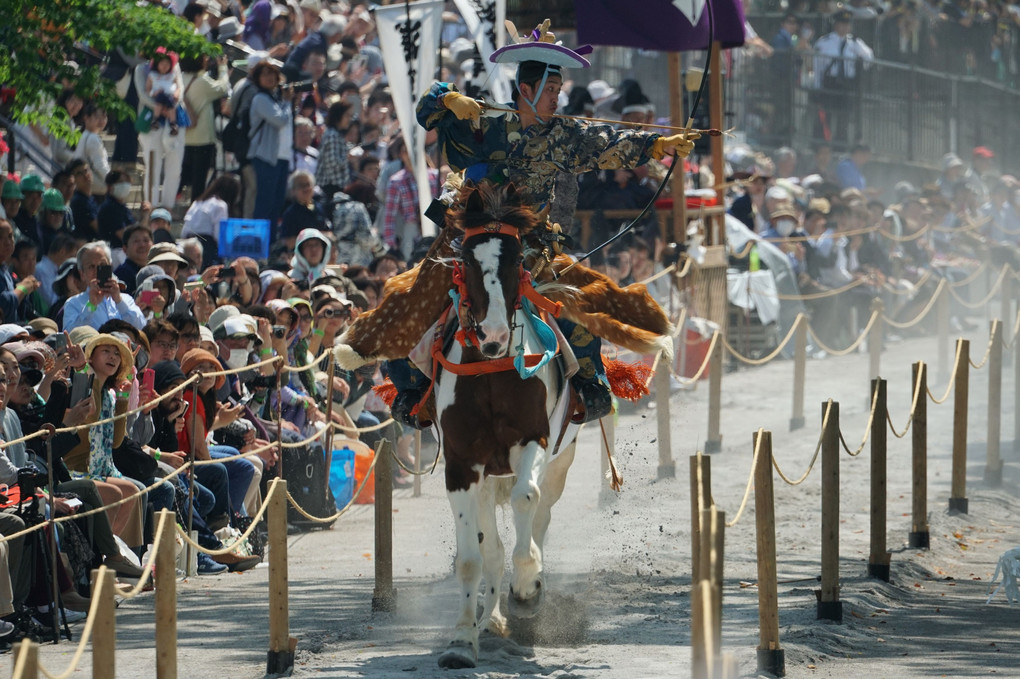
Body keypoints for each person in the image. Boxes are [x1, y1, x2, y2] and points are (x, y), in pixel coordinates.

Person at [348, 20, 696, 427]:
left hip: (530, 244)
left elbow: (608, 142)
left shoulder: (562, 135)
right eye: (550, 90)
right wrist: (449, 100)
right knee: (408, 300)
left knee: (576, 299)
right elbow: (425, 108)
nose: (556, 98)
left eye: (559, 90)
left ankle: (590, 382)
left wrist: (657, 144)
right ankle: (410, 392)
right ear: (526, 90)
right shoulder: (486, 123)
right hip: (470, 238)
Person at [812, 9, 874, 148]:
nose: (845, 27)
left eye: (847, 24)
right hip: (830, 82)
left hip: (847, 83)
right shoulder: (824, 42)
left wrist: (858, 53)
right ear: (836, 25)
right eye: (842, 24)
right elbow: (818, 66)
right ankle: (821, 145)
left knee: (844, 117)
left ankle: (840, 146)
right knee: (825, 116)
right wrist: (817, 86)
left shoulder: (855, 42)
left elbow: (869, 58)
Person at [246, 60, 294, 225]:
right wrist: (288, 102)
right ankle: (260, 243)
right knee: (265, 202)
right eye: (264, 74)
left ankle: (271, 242)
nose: (269, 78)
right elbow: (279, 120)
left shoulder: (277, 99)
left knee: (277, 203)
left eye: (272, 73)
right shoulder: (260, 98)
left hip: (282, 157)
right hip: (266, 156)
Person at [61, 242, 146, 331]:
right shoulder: (73, 303)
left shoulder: (126, 300)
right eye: (91, 266)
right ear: (82, 274)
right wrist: (91, 306)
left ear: (110, 267)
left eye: (102, 265)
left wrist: (119, 301)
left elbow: (141, 328)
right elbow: (71, 335)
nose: (97, 271)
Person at [181, 53, 232, 200]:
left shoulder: (181, 78)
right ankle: (194, 208)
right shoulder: (202, 81)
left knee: (183, 176)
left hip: (184, 136)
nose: (207, 61)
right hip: (202, 138)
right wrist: (223, 68)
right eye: (205, 58)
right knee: (199, 180)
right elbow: (222, 88)